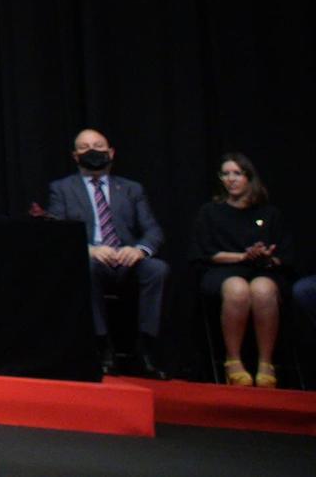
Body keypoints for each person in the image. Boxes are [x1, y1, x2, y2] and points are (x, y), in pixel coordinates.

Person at [44, 128, 169, 378]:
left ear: (111, 152)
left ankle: (145, 350)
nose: (93, 151)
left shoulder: (131, 189)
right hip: (91, 258)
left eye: (99, 145)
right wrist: (89, 249)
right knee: (85, 270)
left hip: (126, 258)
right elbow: (56, 230)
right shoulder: (62, 189)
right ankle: (102, 348)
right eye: (85, 147)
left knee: (157, 269)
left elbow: (153, 230)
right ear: (75, 155)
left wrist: (138, 250)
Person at [191, 152, 294, 388]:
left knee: (263, 289)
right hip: (222, 271)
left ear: (249, 178)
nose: (231, 179)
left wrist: (266, 257)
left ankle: (266, 363)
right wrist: (242, 256)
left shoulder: (270, 214)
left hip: (262, 270)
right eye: (226, 174)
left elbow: (285, 256)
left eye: (237, 173)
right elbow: (205, 253)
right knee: (238, 288)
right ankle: (233, 361)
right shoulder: (210, 212)